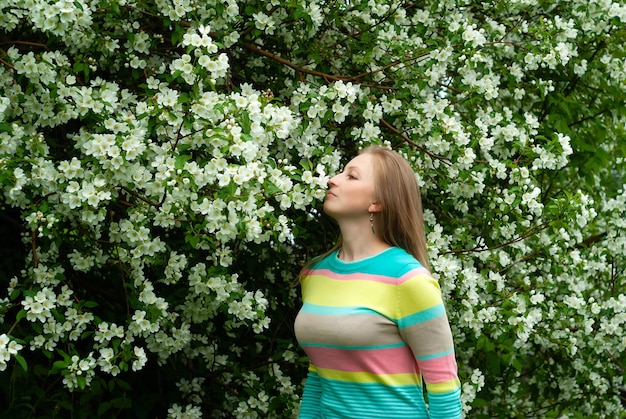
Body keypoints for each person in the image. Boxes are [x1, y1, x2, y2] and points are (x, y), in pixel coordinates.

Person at [294, 145, 462, 418]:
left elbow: (444, 391)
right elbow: (319, 373)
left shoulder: (407, 280)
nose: (332, 179)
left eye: (352, 176)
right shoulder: (315, 275)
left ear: (377, 202)